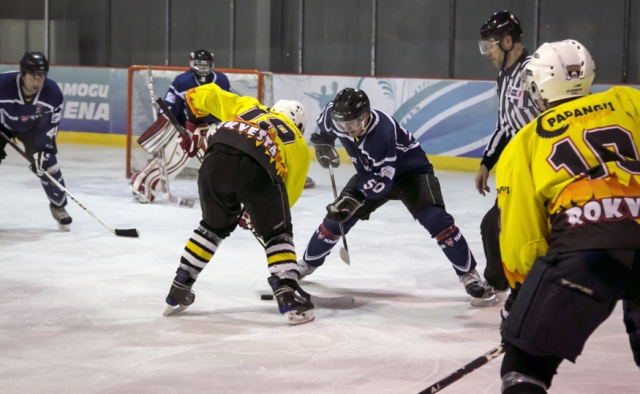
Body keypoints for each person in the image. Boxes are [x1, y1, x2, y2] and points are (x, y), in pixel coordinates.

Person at [496, 39, 640, 393]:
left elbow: (522, 237)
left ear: (536, 88)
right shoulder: (631, 100)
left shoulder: (525, 141)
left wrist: (523, 292)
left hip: (586, 250)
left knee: (525, 365)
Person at [296, 88, 494, 303]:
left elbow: (384, 180)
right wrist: (323, 143)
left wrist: (356, 198)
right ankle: (307, 263)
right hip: (370, 172)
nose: (346, 128)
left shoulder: (382, 131)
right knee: (336, 219)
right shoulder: (333, 116)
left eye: (351, 123)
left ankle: (469, 275)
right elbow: (325, 130)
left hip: (411, 175)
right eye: (342, 123)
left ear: (365, 116)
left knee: (437, 220)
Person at [162, 81, 315, 326]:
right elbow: (285, 198)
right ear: (299, 125)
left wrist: (196, 125)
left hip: (215, 158)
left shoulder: (249, 106)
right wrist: (258, 215)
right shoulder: (298, 143)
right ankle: (289, 296)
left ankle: (179, 287)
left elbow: (201, 94)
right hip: (256, 168)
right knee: (278, 234)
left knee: (211, 227)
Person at [475, 10, 541, 301]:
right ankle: (504, 282)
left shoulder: (536, 71)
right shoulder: (503, 76)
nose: (486, 51)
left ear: (507, 40)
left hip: (541, 168)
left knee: (507, 226)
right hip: (519, 170)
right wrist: (486, 163)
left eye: (489, 44)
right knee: (494, 224)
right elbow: (505, 125)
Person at [130, 49, 230, 203]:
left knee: (221, 159)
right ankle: (143, 187)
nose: (203, 68)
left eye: (206, 65)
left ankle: (227, 193)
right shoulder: (182, 81)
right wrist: (165, 121)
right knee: (171, 160)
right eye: (199, 64)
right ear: (192, 64)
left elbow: (226, 106)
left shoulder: (222, 81)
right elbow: (169, 106)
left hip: (211, 127)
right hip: (186, 128)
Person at [0, 52, 71, 230]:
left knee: (48, 165)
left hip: (32, 128)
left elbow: (50, 125)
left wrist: (43, 151)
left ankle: (58, 206)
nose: (37, 82)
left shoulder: (52, 92)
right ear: (23, 73)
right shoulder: (3, 83)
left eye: (41, 77)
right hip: (2, 124)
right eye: (33, 77)